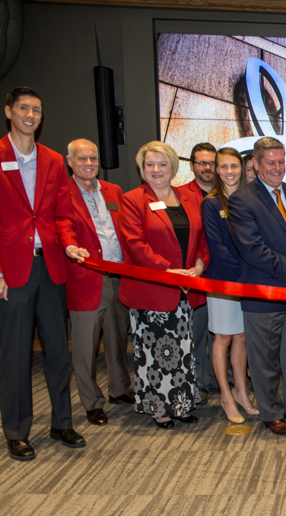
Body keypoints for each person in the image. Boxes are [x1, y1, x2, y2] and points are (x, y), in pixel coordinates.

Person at [0, 87, 85, 460]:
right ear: (9, 112)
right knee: (14, 354)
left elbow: (61, 216)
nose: (31, 115)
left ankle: (62, 422)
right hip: (11, 269)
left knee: (58, 355)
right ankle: (16, 430)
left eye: (37, 110)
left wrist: (68, 244)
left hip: (49, 265)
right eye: (24, 108)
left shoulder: (50, 160)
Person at [227, 137, 286, 436]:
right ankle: (270, 412)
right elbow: (251, 249)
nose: (277, 168)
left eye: (281, 162)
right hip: (263, 292)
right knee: (264, 359)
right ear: (255, 163)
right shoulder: (242, 200)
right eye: (270, 162)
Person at [117, 141, 209, 428]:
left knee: (183, 350)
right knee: (155, 353)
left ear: (173, 167)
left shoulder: (189, 198)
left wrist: (199, 264)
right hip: (152, 290)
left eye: (162, 164)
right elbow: (134, 244)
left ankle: (181, 404)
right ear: (142, 169)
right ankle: (159, 408)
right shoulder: (133, 199)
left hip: (186, 288)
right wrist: (169, 271)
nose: (156, 170)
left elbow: (203, 239)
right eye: (149, 165)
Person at [63, 138, 134, 426]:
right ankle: (91, 402)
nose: (89, 164)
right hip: (86, 281)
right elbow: (63, 227)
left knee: (117, 340)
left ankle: (119, 390)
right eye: (82, 159)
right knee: (85, 348)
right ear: (70, 161)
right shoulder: (62, 193)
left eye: (93, 158)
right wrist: (70, 248)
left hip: (119, 277)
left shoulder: (114, 191)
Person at [201, 147, 259, 424]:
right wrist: (244, 272)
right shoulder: (212, 203)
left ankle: (241, 391)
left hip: (248, 280)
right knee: (223, 337)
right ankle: (226, 395)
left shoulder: (250, 200)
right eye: (223, 167)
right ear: (216, 170)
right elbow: (217, 247)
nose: (229, 172)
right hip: (224, 280)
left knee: (242, 337)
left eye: (234, 166)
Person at [181, 142, 219, 398]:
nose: (207, 168)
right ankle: (197, 384)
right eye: (201, 163)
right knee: (196, 334)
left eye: (211, 163)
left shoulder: (226, 193)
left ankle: (218, 378)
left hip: (224, 278)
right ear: (192, 165)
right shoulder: (180, 195)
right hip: (197, 275)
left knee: (221, 335)